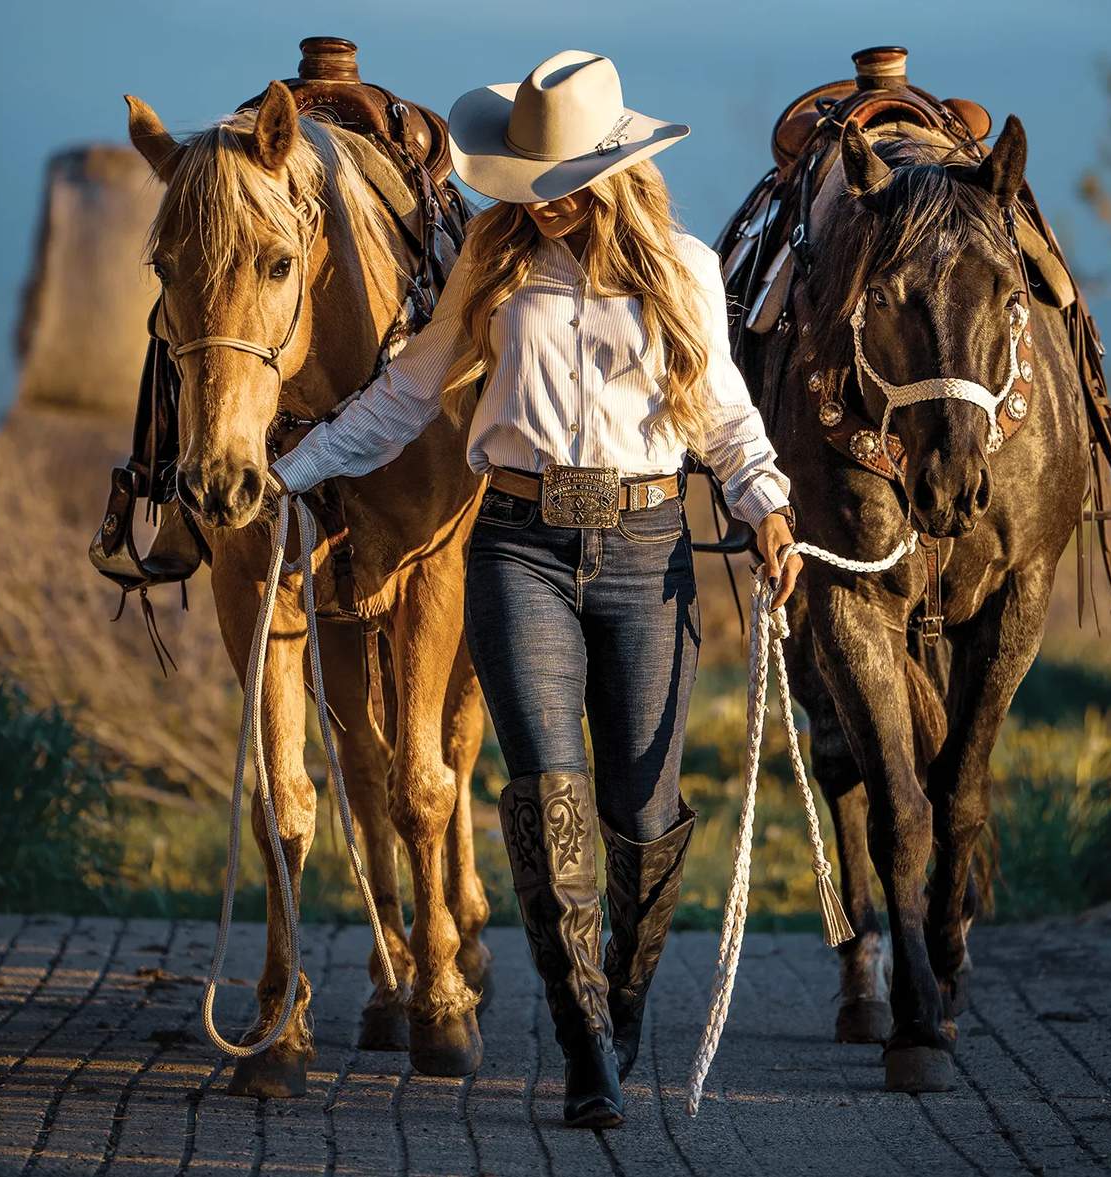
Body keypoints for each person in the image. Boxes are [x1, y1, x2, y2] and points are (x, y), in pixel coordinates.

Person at [271, 49, 801, 1129]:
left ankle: (626, 994)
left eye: (559, 186)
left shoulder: (685, 269)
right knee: (547, 797)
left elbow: (725, 421)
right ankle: (584, 1042)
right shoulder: (491, 262)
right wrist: (286, 473)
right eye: (528, 185)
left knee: (641, 812)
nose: (542, 207)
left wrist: (768, 509)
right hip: (517, 544)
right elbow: (406, 395)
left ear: (613, 171)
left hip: (649, 548)